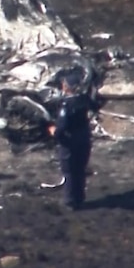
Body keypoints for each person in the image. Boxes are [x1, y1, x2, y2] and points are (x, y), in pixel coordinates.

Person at [48, 71, 95, 210]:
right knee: (80, 170)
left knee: (69, 171)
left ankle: (70, 202)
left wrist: (53, 132)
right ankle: (79, 198)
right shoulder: (84, 99)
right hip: (84, 138)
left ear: (68, 87)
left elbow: (62, 126)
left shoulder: (67, 105)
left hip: (70, 142)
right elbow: (95, 105)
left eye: (64, 83)